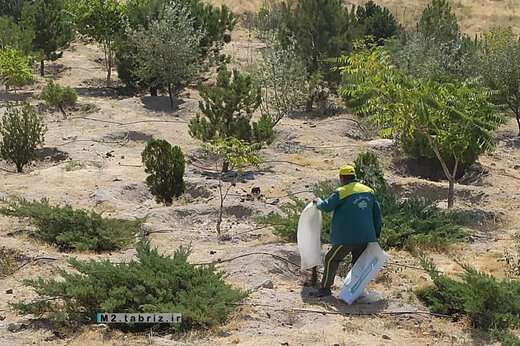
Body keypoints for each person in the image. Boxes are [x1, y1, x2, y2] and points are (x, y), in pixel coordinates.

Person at [311, 164, 382, 298]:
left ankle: (325, 289)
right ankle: (355, 292)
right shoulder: (369, 191)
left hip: (347, 238)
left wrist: (318, 201)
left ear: (342, 178)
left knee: (331, 259)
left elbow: (326, 207)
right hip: (366, 236)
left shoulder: (341, 191)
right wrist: (375, 234)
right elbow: (377, 215)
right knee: (357, 264)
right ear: (354, 177)